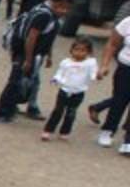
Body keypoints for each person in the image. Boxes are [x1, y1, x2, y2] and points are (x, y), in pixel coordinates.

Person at [0, 0, 72, 123]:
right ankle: (2, 112)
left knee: (28, 82)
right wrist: (28, 59)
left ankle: (15, 108)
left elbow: (47, 37)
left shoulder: (44, 10)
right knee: (16, 82)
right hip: (26, 53)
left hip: (32, 54)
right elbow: (31, 37)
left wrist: (48, 54)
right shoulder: (44, 15)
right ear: (62, 1)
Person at [40, 37, 98, 141]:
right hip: (64, 90)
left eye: (83, 50)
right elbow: (60, 73)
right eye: (76, 49)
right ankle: (48, 130)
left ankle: (65, 132)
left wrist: (97, 76)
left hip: (78, 92)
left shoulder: (90, 63)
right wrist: (56, 79)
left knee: (71, 113)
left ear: (88, 52)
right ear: (71, 50)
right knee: (58, 111)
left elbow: (93, 74)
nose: (79, 53)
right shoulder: (66, 62)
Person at [93, 13, 130, 152]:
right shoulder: (127, 22)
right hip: (126, 69)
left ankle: (128, 140)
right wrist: (104, 65)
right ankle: (108, 130)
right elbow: (112, 44)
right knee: (119, 101)